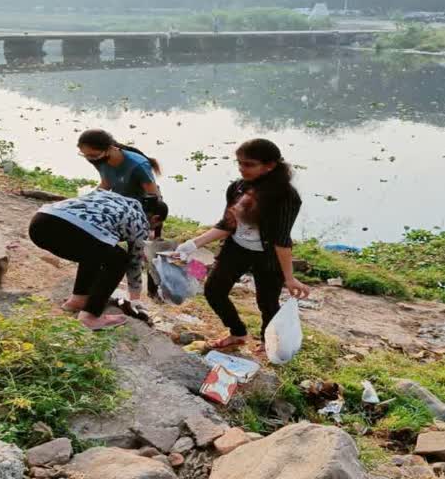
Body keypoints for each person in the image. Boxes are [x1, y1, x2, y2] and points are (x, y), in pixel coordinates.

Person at [175, 139, 310, 350]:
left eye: (249, 164)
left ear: (270, 166)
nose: (242, 169)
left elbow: (281, 240)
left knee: (267, 303)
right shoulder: (237, 188)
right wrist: (193, 244)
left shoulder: (285, 197)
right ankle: (237, 332)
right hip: (236, 248)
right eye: (239, 163)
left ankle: (268, 344)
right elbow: (227, 225)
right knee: (214, 290)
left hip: (267, 256)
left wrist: (290, 278)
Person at [28, 190, 168, 330]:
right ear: (155, 219)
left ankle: (78, 301)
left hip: (40, 222)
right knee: (119, 260)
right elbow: (134, 264)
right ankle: (90, 317)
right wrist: (135, 299)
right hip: (69, 229)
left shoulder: (113, 197)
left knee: (99, 248)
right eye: (155, 227)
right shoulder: (141, 222)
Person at [77, 129, 164, 299]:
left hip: (143, 213)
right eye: (86, 155)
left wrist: (149, 223)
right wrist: (87, 203)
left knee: (138, 256)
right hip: (118, 210)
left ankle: (140, 297)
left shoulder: (137, 165)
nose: (91, 159)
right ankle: (90, 290)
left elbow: (153, 196)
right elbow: (106, 184)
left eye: (93, 155)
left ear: (110, 148)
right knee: (98, 244)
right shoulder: (100, 160)